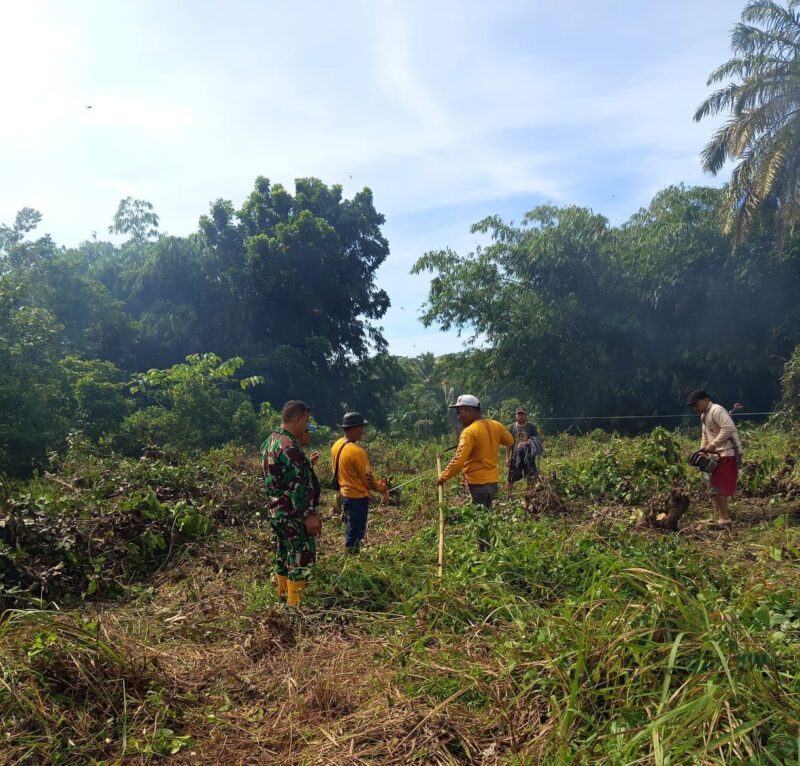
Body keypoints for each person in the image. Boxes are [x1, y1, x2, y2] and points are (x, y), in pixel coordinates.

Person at [261, 400, 322, 606]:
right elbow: (298, 486)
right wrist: (309, 514)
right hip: (293, 515)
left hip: (277, 512)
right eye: (305, 421)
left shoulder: (270, 441)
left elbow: (281, 475)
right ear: (297, 420)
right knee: (300, 557)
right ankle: (297, 607)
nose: (306, 426)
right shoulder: (290, 447)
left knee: (284, 553)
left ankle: (282, 596)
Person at [436, 394, 514, 550]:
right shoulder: (496, 425)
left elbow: (459, 460)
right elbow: (510, 441)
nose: (458, 417)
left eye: (459, 412)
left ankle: (484, 553)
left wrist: (442, 477)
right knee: (485, 519)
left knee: (480, 521)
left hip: (477, 484)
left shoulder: (469, 432)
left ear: (469, 410)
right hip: (492, 483)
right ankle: (487, 550)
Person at [330, 412, 388, 553]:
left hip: (345, 494)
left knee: (351, 526)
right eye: (361, 428)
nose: (362, 431)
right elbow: (368, 479)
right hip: (357, 497)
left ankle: (351, 553)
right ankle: (351, 557)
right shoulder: (357, 452)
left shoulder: (337, 445)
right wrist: (381, 488)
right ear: (354, 429)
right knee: (355, 532)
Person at [686, 389, 742, 525]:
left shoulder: (717, 410)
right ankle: (717, 516)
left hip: (727, 453)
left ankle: (725, 518)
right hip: (716, 456)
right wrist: (702, 450)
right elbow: (705, 435)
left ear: (706, 400)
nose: (695, 408)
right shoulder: (704, 415)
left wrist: (713, 444)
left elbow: (729, 428)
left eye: (696, 405)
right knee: (712, 487)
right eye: (693, 406)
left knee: (718, 487)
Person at [505, 407, 542, 491]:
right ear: (516, 415)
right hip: (515, 457)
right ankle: (507, 495)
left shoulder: (531, 427)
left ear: (526, 415)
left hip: (528, 457)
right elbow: (508, 444)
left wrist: (527, 442)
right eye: (519, 414)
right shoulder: (511, 427)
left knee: (531, 478)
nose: (521, 416)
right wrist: (507, 457)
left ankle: (530, 495)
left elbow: (537, 440)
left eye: (522, 414)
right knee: (511, 478)